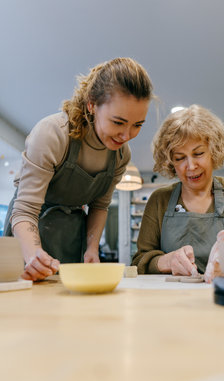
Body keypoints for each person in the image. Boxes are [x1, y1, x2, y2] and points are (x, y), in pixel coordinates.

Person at [4, 57, 154, 281]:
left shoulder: (122, 155)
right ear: (91, 104)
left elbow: (100, 207)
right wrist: (33, 253)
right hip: (26, 236)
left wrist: (91, 249)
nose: (127, 135)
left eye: (137, 125)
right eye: (118, 122)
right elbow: (24, 210)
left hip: (72, 236)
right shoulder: (52, 134)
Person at [132, 104, 224, 282]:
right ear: (170, 162)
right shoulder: (159, 200)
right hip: (172, 303)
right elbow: (139, 261)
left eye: (198, 153)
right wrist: (165, 261)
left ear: (213, 151)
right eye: (180, 158)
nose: (190, 166)